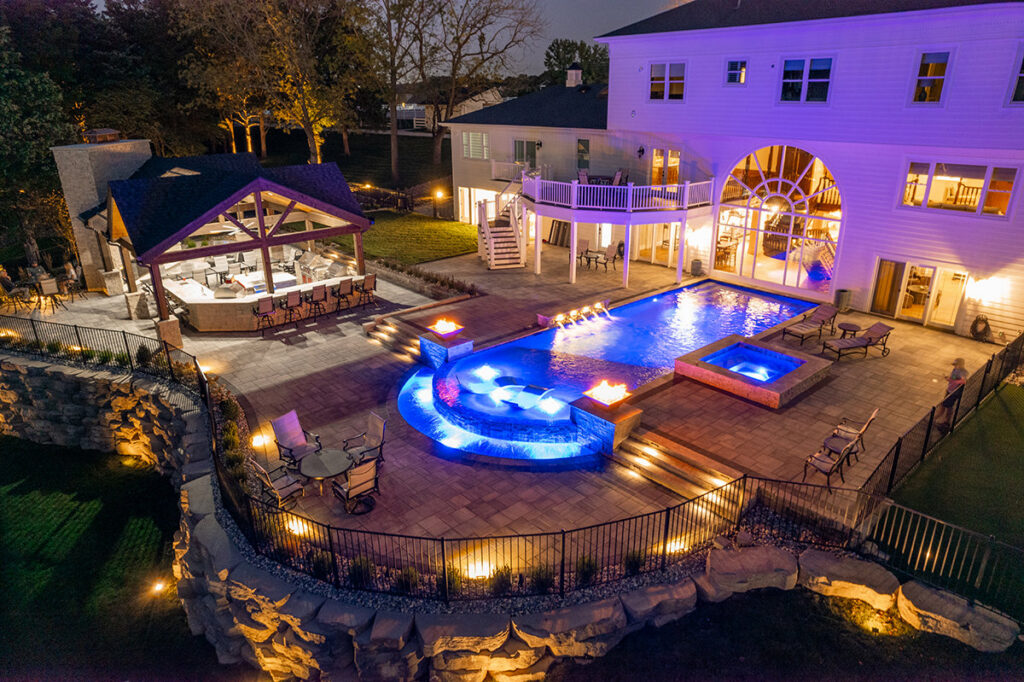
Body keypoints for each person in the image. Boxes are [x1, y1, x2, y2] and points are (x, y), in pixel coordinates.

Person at [935, 357, 968, 432]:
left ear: (961, 364)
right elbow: (953, 378)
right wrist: (949, 379)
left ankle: (943, 421)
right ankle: (943, 420)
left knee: (946, 407)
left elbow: (963, 381)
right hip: (949, 390)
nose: (955, 366)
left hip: (953, 393)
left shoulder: (962, 372)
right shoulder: (955, 370)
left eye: (956, 365)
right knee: (945, 406)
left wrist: (954, 382)